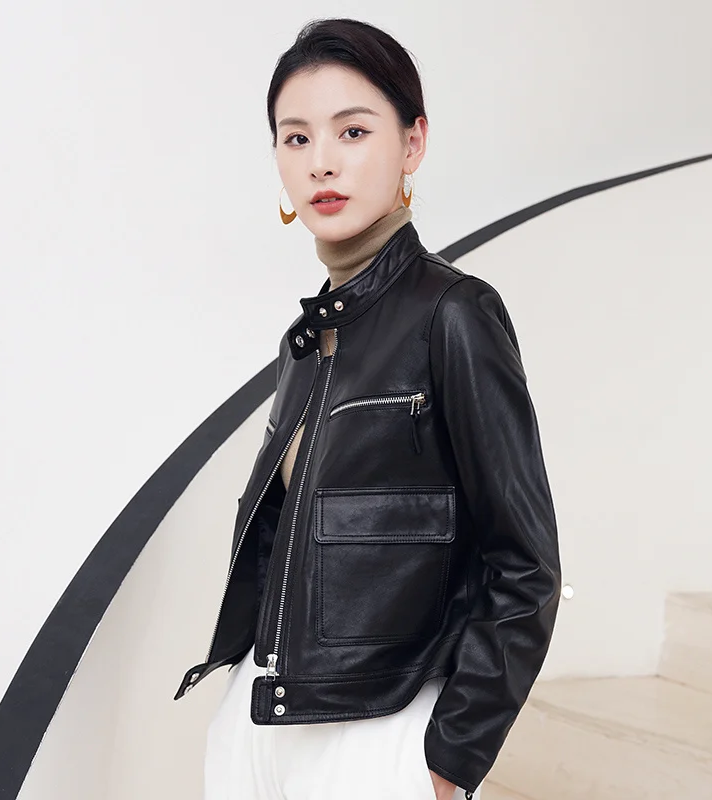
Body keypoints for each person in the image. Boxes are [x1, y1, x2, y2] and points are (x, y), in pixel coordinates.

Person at [175, 17, 562, 800]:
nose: (321, 161)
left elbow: (526, 565)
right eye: (296, 138)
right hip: (258, 719)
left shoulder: (454, 313)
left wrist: (449, 758)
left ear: (412, 143)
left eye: (352, 131)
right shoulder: (307, 339)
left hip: (380, 732)